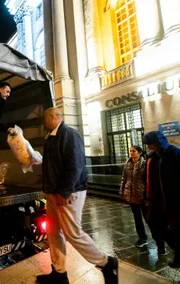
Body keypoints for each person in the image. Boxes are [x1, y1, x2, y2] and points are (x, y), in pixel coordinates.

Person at [36, 107, 118, 284]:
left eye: (44, 119)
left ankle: (106, 263)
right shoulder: (51, 137)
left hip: (67, 193)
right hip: (53, 193)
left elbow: (75, 165)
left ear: (52, 118)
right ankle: (59, 274)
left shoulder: (69, 135)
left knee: (73, 233)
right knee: (53, 233)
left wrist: (64, 191)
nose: (43, 123)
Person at [143, 131, 180, 284]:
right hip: (165, 204)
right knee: (155, 223)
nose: (150, 147)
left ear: (159, 142)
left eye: (152, 144)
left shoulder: (177, 155)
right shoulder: (156, 157)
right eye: (148, 145)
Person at [119, 145, 151, 248]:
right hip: (131, 195)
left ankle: (159, 239)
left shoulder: (144, 164)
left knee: (149, 218)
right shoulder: (127, 164)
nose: (131, 153)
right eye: (130, 151)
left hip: (142, 195)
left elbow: (147, 180)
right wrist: (122, 192)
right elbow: (124, 178)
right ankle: (142, 238)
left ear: (140, 153)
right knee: (137, 218)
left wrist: (147, 196)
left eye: (134, 151)